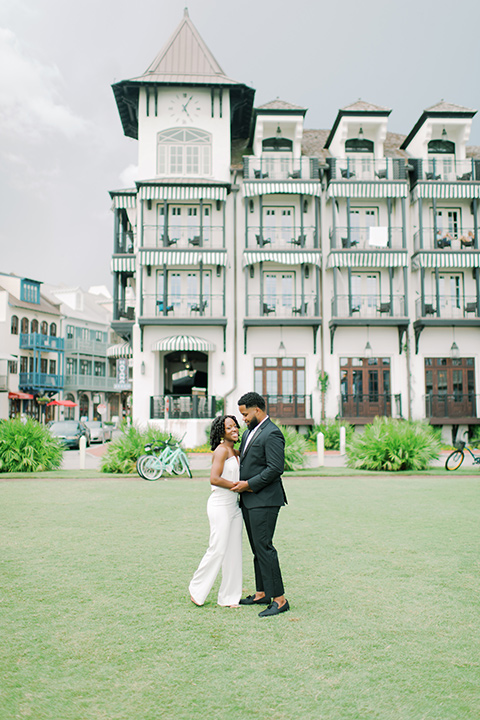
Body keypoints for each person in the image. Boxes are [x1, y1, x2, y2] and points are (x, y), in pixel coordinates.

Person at [232, 392, 289, 617]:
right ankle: (262, 592)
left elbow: (275, 468)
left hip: (265, 500)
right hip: (249, 500)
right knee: (257, 549)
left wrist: (248, 485)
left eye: (245, 414)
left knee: (265, 547)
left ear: (257, 410)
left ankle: (280, 599)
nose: (243, 419)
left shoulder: (272, 433)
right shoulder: (248, 434)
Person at [188, 415, 243, 608]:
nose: (234, 429)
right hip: (219, 504)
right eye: (229, 427)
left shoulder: (235, 451)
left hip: (234, 507)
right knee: (217, 549)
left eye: (235, 426)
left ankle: (229, 597)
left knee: (234, 552)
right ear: (221, 431)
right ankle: (197, 590)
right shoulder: (221, 451)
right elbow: (214, 478)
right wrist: (237, 486)